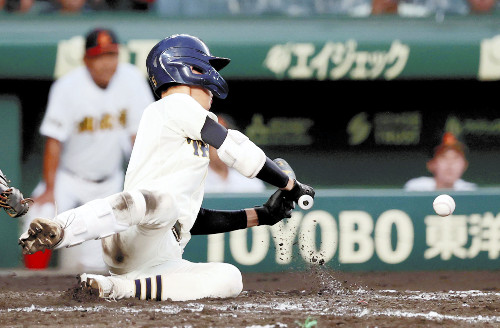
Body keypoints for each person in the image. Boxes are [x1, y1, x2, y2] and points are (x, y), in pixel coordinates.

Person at [19, 34, 315, 302]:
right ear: (187, 70)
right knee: (163, 202)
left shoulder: (190, 134)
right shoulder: (172, 106)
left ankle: (117, 289)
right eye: (205, 69)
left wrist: (262, 215)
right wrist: (289, 184)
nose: (212, 83)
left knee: (229, 278)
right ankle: (61, 228)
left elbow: (192, 221)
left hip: (160, 256)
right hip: (132, 229)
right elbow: (236, 149)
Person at [31, 27, 154, 272]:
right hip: (69, 178)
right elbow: (54, 141)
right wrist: (50, 188)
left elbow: (138, 137)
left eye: (112, 55)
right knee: (39, 214)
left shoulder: (131, 79)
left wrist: (144, 180)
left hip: (108, 184)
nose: (107, 63)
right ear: (86, 59)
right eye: (99, 56)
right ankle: (26, 287)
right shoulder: (67, 87)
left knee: (87, 266)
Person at [205, 113, 266, 193]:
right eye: (214, 138)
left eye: (224, 138)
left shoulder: (250, 181)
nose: (219, 144)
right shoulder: (194, 180)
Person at [404, 132, 476, 191]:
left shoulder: (470, 191)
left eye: (456, 158)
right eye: (443, 157)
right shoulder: (416, 189)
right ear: (431, 164)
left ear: (465, 165)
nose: (450, 163)